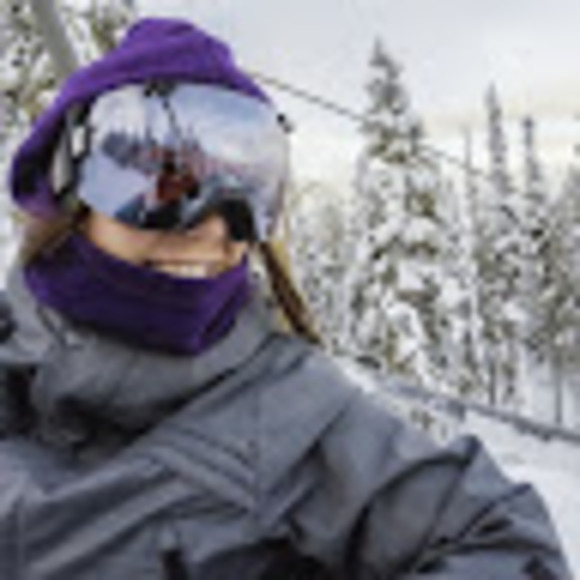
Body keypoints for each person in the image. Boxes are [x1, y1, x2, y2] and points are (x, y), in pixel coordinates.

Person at [0, 17, 572, 580]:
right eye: (163, 182)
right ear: (67, 187)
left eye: (248, 190)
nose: (214, 228)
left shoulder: (294, 413)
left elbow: (509, 544)